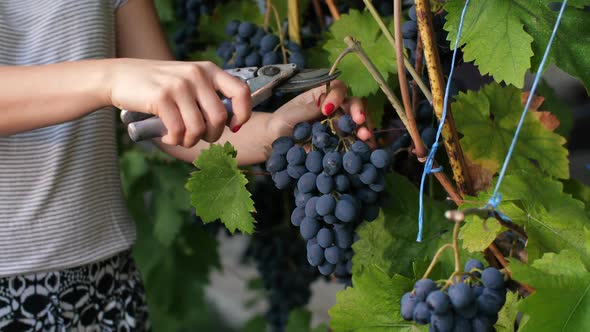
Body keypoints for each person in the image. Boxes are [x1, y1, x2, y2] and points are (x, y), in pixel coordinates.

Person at [0, 1, 372, 330]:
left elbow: (170, 119)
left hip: (101, 281)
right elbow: (123, 80)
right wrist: (108, 78)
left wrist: (277, 131)